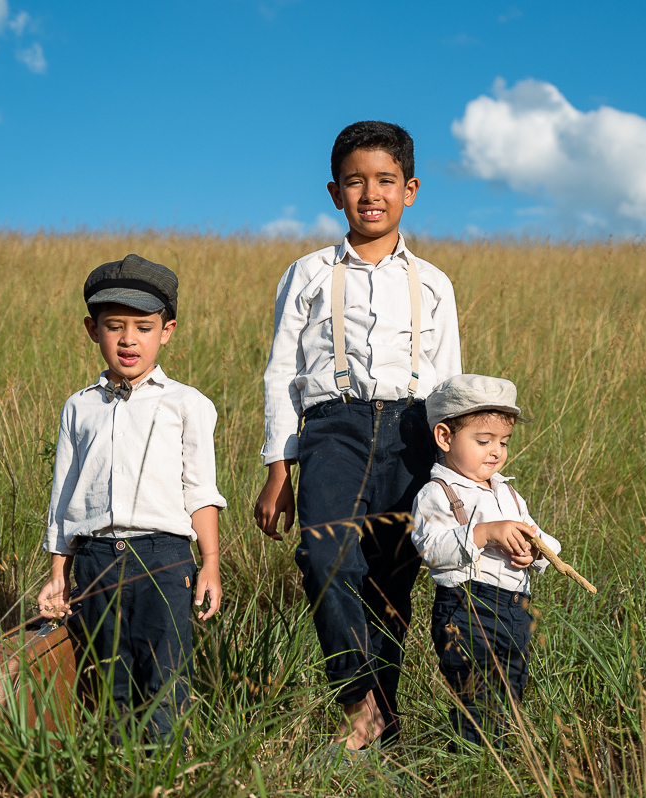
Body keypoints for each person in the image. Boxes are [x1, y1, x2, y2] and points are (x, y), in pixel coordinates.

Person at [255, 120, 462, 752]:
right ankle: (356, 695)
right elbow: (281, 373)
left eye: (385, 181)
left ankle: (381, 731)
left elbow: (448, 379)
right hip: (332, 428)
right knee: (324, 557)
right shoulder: (308, 273)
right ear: (334, 191)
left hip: (412, 431)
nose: (370, 193)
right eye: (355, 182)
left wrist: (454, 472)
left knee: (390, 579)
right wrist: (278, 468)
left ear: (411, 189)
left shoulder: (432, 282)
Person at [36, 253, 225, 742]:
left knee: (164, 679)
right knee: (107, 679)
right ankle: (118, 772)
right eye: (113, 326)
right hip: (95, 559)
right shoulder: (80, 407)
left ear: (167, 330)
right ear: (91, 329)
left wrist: (209, 564)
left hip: (163, 558)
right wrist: (59, 572)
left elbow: (201, 490)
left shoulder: (186, 404)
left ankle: (166, 776)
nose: (127, 339)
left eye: (143, 326)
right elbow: (64, 496)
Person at [410, 374, 563, 750]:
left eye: (503, 442)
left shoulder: (508, 491)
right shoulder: (437, 493)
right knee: (477, 696)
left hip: (515, 609)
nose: (495, 452)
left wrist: (534, 550)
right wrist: (482, 533)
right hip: (468, 608)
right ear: (445, 438)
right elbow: (430, 550)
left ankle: (496, 760)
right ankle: (469, 762)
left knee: (509, 693)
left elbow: (545, 542)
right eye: (483, 441)